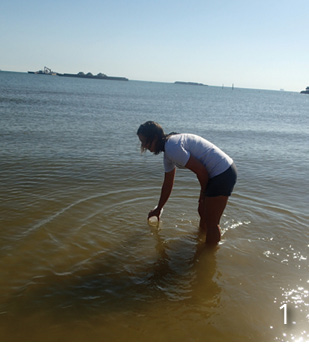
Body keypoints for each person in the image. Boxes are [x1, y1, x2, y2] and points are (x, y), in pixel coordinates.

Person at [137, 121, 237, 245]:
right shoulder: (168, 152)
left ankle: (208, 257)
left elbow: (202, 172)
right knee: (203, 214)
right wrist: (159, 208)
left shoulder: (172, 147)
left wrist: (202, 198)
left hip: (222, 172)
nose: (144, 146)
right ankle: (201, 243)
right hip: (220, 172)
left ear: (155, 138)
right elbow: (168, 184)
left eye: (144, 142)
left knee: (212, 222)